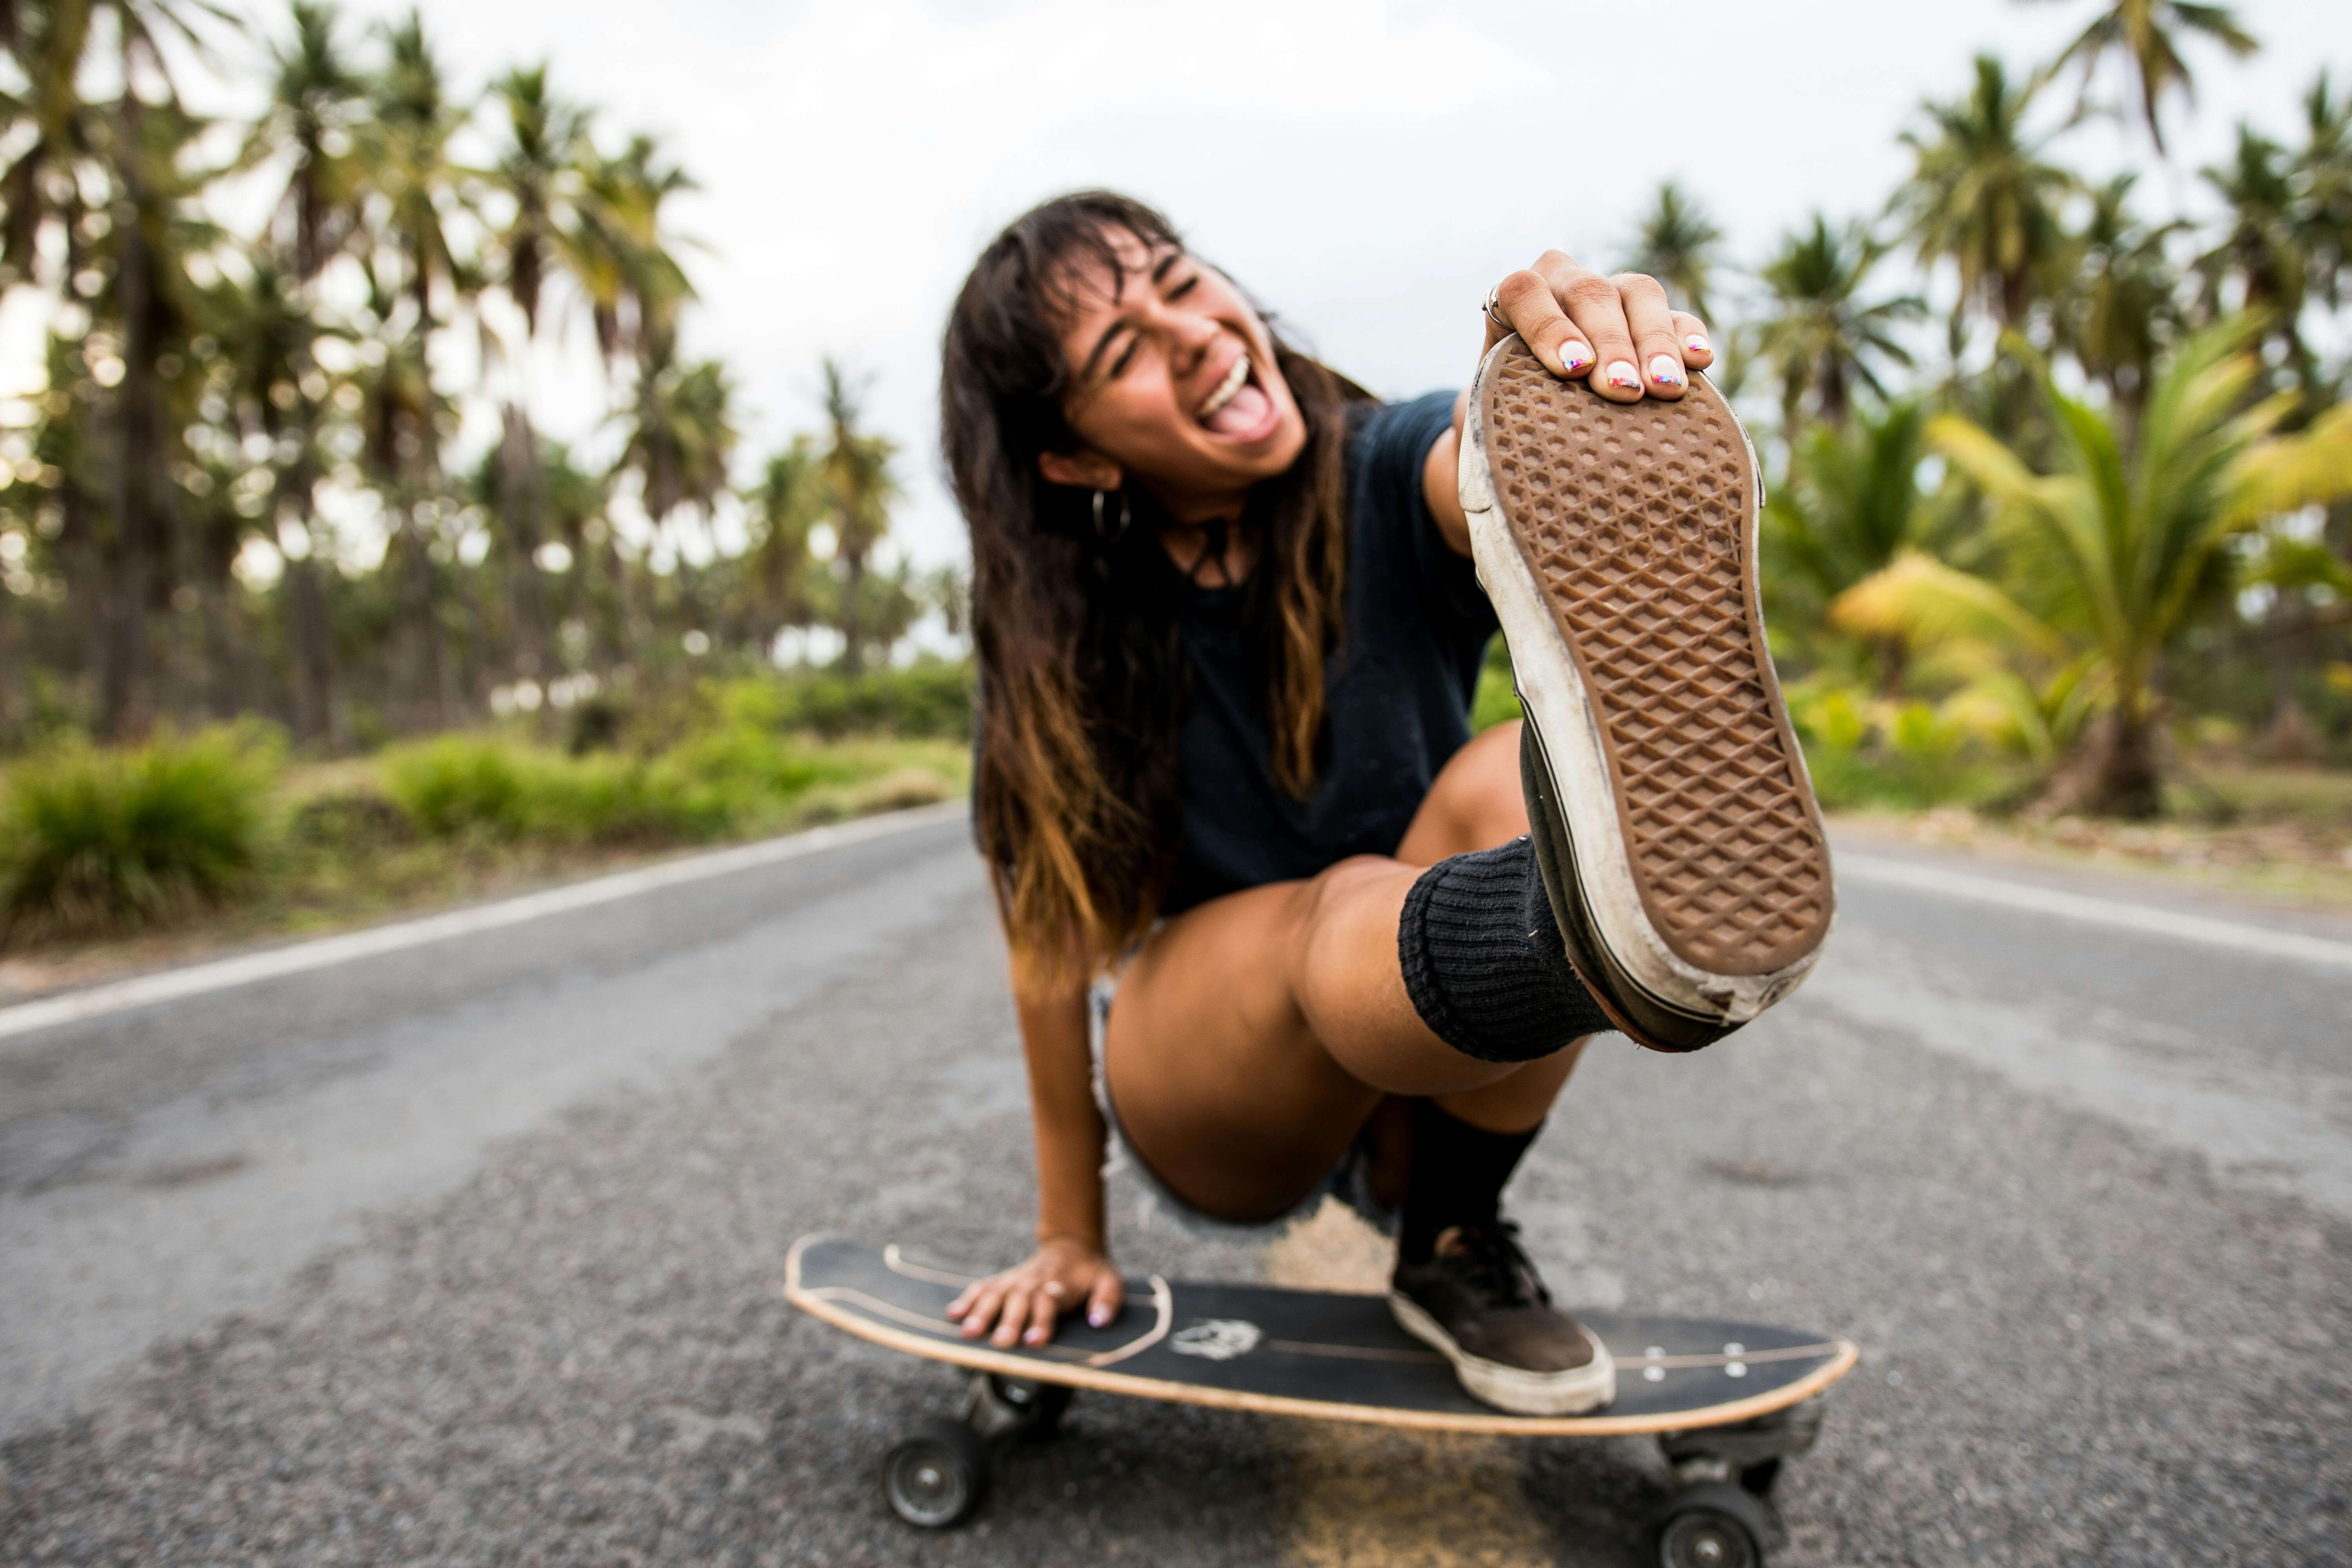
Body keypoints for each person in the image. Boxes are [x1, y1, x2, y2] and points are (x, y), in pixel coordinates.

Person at [936, 191, 1832, 1415]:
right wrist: (1068, 1233)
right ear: (1076, 456)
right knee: (1344, 900)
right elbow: (1048, 949)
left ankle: (1457, 1227)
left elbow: (1458, 467)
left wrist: (1548, 411)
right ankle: (1597, 944)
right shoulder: (1063, 633)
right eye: (1123, 351)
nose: (1191, 330)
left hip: (1426, 1060)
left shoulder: (1373, 460)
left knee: (1530, 777)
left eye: (1178, 280)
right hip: (1217, 1083)